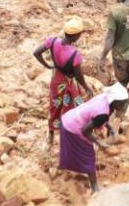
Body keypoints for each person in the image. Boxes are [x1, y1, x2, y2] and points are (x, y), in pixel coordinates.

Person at [31, 17, 95, 147]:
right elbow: (78, 76)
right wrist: (87, 88)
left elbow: (36, 52)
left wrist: (48, 65)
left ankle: (51, 135)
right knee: (76, 106)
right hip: (68, 82)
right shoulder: (75, 54)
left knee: (55, 107)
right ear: (76, 36)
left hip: (56, 80)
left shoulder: (53, 41)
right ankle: (74, 135)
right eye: (80, 33)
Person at [58, 83, 129, 193]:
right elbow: (85, 130)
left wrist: (109, 127)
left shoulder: (104, 97)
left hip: (68, 119)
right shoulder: (103, 113)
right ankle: (95, 187)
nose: (124, 106)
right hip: (73, 127)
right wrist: (100, 144)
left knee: (72, 149)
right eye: (123, 103)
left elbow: (96, 115)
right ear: (115, 101)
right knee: (88, 155)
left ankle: (64, 168)